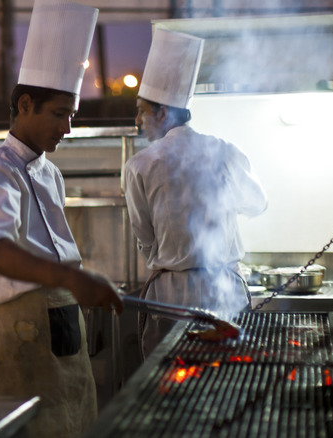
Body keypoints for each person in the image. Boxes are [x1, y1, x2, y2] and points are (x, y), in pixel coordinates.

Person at [0, 1, 123, 436]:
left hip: (65, 327)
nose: (66, 128)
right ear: (25, 103)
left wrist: (73, 284)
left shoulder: (50, 173)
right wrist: (72, 278)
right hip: (22, 332)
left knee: (75, 424)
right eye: (58, 114)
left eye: (71, 115)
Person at [123, 29, 268, 359]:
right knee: (228, 380)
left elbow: (145, 239)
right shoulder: (223, 151)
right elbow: (257, 204)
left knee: (171, 385)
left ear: (162, 113)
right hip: (223, 290)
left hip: (169, 297)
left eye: (142, 110)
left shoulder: (140, 164)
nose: (138, 120)